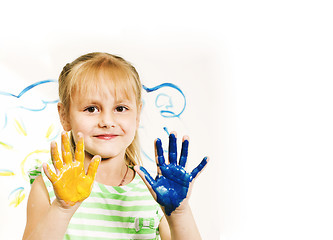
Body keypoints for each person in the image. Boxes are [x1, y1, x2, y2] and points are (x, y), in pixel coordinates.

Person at [22, 52, 208, 240]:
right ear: (65, 116)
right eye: (91, 109)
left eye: (120, 109)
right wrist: (62, 209)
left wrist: (179, 214)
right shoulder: (50, 186)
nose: (107, 121)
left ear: (137, 115)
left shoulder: (154, 192)